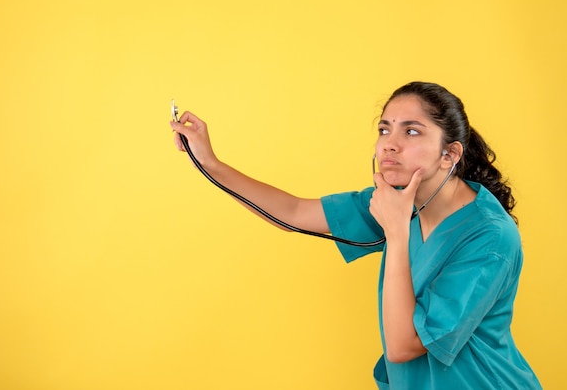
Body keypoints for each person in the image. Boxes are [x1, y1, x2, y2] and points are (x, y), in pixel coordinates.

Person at [169, 81, 542, 389]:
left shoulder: (489, 238)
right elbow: (294, 213)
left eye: (411, 131)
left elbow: (403, 346)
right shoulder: (400, 202)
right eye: (385, 129)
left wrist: (396, 233)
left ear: (450, 154)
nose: (389, 144)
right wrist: (210, 163)